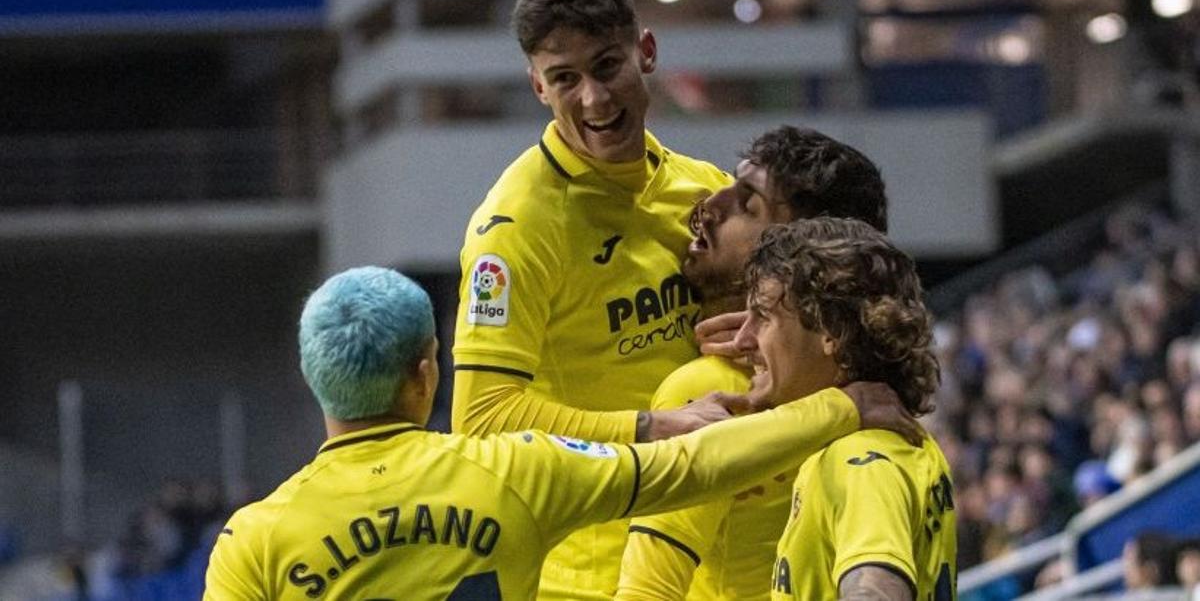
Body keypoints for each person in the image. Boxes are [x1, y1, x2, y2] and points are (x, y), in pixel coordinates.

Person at [204, 267, 921, 600]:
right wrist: (839, 406)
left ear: (313, 377)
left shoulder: (253, 540)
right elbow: (690, 467)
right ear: (426, 372)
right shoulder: (512, 470)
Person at [450, 0, 733, 598]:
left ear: (646, 52)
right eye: (565, 79)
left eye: (607, 66)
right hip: (586, 580)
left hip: (713, 566)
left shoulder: (710, 193)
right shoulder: (515, 225)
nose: (594, 99)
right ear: (538, 88)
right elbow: (482, 420)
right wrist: (650, 429)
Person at [617, 125, 888, 600]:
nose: (709, 205)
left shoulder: (708, 397)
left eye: (748, 204)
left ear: (799, 253)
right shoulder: (878, 389)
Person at [733, 218, 956, 600]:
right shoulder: (904, 445)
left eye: (763, 317)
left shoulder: (858, 459)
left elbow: (874, 592)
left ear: (830, 333)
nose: (742, 339)